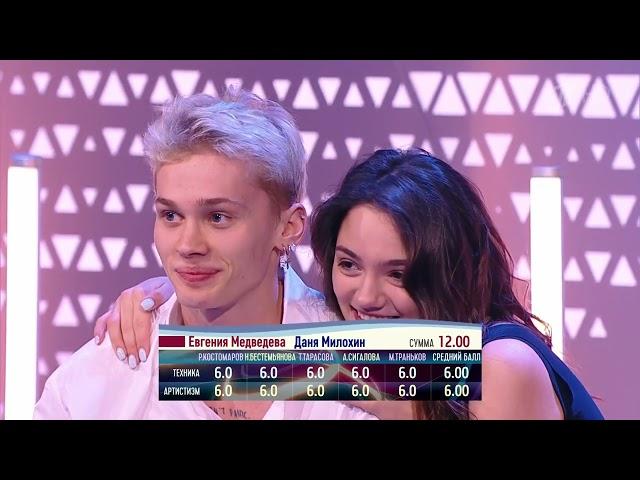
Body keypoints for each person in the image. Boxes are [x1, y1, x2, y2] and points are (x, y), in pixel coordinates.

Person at [101, 148, 604, 420]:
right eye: (348, 265)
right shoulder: (392, 361)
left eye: (398, 273)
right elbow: (223, 364)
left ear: (447, 268)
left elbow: (232, 365)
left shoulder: (502, 364)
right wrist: (168, 296)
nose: (364, 297)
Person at [33, 89, 376, 420]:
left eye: (217, 217)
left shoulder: (366, 362)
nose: (188, 245)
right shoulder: (93, 381)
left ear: (288, 227)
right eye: (171, 215)